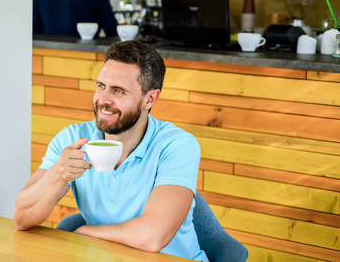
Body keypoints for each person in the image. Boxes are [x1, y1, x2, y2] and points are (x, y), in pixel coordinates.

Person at [13, 41, 208, 261]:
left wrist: (86, 231)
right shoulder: (72, 139)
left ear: (150, 99)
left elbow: (152, 237)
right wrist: (58, 173)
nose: (103, 100)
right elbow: (21, 218)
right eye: (101, 86)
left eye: (118, 90)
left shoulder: (177, 145)